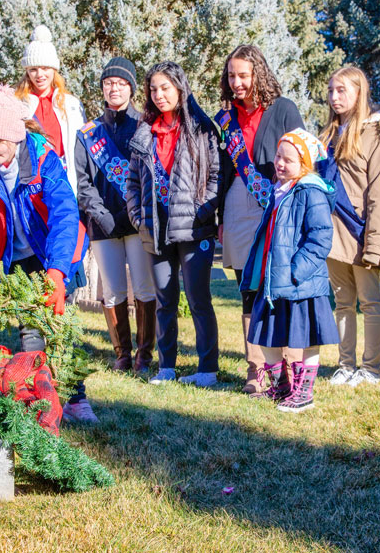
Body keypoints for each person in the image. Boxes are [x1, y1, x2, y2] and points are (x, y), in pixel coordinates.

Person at [0, 85, 96, 422]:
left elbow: (63, 214)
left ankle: (75, 398)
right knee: (30, 330)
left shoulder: (44, 159)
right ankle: (37, 400)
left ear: (14, 136)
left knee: (59, 327)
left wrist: (57, 272)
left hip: (54, 252)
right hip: (16, 257)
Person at [215, 44, 305, 395]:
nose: (237, 82)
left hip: (277, 202)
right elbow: (224, 170)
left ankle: (285, 367)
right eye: (232, 76)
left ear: (258, 74)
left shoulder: (283, 109)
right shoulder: (225, 120)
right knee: (248, 289)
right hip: (238, 204)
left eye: (243, 75)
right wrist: (221, 216)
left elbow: (301, 155)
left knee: (279, 286)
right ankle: (255, 369)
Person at [125, 62, 222, 388]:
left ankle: (207, 368)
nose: (159, 94)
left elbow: (216, 176)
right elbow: (133, 184)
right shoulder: (144, 132)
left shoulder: (200, 128)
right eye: (153, 89)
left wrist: (203, 212)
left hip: (195, 229)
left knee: (198, 300)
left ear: (180, 88)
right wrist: (139, 218)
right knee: (165, 301)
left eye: (165, 87)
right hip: (156, 228)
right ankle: (166, 367)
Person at [240, 129, 339, 413]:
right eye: (278, 156)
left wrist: (296, 271)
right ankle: (281, 385)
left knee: (306, 336)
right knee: (267, 332)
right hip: (274, 279)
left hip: (299, 282)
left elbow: (320, 237)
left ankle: (304, 392)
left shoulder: (310, 191)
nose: (280, 163)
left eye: (289, 160)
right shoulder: (278, 190)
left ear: (304, 165)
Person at [317, 67, 380, 387]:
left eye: (342, 91)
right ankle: (345, 364)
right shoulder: (328, 134)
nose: (334, 97)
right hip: (331, 232)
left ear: (359, 93)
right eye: (331, 91)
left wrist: (377, 244)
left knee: (370, 302)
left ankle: (371, 368)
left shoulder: (378, 133)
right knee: (342, 302)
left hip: (361, 231)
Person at [74, 57, 157, 375]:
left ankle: (144, 354)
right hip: (103, 224)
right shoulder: (88, 133)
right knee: (112, 291)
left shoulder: (144, 127)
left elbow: (150, 176)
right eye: (109, 83)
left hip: (137, 224)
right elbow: (83, 183)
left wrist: (131, 214)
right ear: (102, 89)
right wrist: (103, 215)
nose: (114, 88)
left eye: (121, 83)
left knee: (145, 289)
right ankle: (122, 353)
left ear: (132, 89)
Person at [16, 24, 85, 191]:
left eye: (45, 68)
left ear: (54, 70)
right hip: (31, 182)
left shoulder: (71, 105)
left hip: (64, 181)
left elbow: (80, 152)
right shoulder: (18, 104)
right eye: (33, 69)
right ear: (27, 72)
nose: (40, 75)